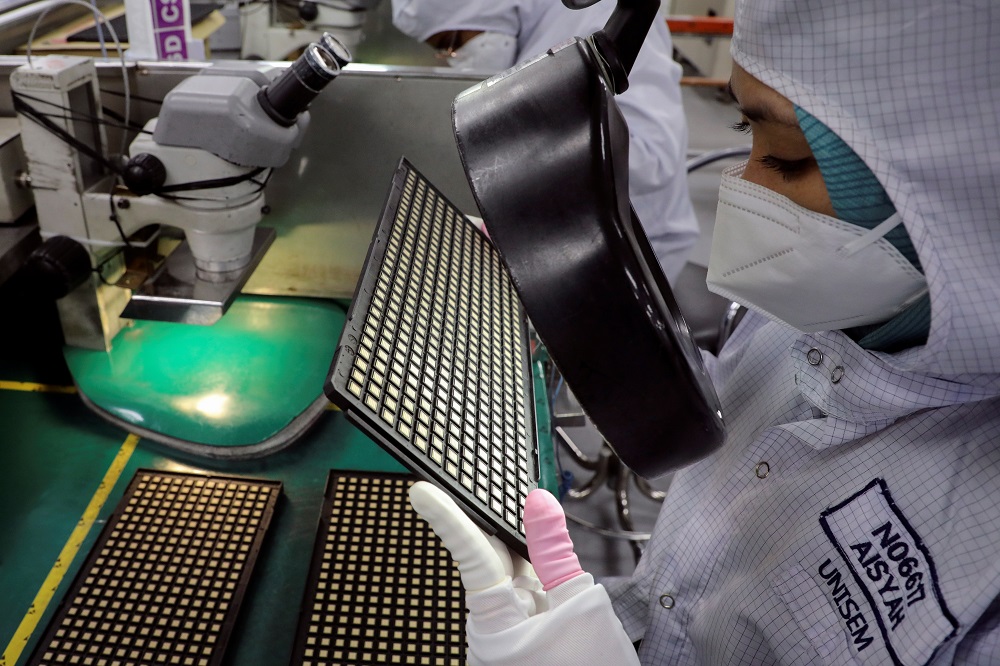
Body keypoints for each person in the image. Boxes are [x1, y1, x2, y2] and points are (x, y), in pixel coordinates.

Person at [406, 0, 1000, 663]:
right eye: (745, 130)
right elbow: (718, 429)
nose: (744, 190)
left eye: (785, 157)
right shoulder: (804, 314)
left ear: (968, 200)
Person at [391, 0, 700, 285]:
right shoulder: (530, 23)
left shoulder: (603, 11)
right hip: (566, 237)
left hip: (634, 251)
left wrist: (535, 142)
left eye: (452, 43)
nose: (454, 58)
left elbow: (653, 156)